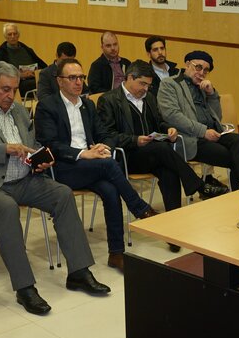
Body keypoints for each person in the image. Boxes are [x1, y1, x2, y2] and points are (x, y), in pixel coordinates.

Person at [0, 62, 111, 314]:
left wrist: (40, 159)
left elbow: (32, 144)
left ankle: (79, 272)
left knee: (62, 194)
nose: (10, 96)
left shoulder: (19, 111)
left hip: (26, 179)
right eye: (5, 89)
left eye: (14, 90)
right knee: (7, 208)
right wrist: (4, 149)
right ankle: (25, 287)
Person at [35, 58, 157, 271]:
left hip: (90, 167)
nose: (78, 82)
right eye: (72, 78)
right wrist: (84, 154)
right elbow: (50, 144)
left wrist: (103, 146)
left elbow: (105, 133)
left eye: (81, 77)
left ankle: (116, 253)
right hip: (62, 168)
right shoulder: (47, 106)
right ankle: (139, 208)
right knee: (109, 165)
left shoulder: (88, 105)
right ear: (60, 81)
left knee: (111, 190)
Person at [97, 60, 228, 218]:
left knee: (169, 171)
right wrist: (135, 140)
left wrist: (168, 130)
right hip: (128, 156)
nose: (145, 89)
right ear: (130, 78)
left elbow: (159, 122)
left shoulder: (149, 97)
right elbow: (107, 135)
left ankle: (174, 220)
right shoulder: (109, 100)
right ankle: (199, 186)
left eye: (148, 85)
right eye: (142, 84)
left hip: (153, 154)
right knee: (163, 149)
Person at [156, 50, 239, 191]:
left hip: (213, 133)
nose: (201, 73)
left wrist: (211, 94)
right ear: (187, 64)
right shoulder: (169, 84)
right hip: (192, 138)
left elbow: (217, 117)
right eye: (198, 67)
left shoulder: (202, 86)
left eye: (206, 70)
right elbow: (171, 115)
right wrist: (203, 132)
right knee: (237, 158)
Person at [0, 23, 46, 100]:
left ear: (18, 35)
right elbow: (0, 75)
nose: (13, 36)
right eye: (9, 34)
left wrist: (35, 72)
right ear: (5, 36)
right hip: (17, 83)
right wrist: (21, 75)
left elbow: (43, 66)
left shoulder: (27, 50)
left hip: (33, 78)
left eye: (15, 34)